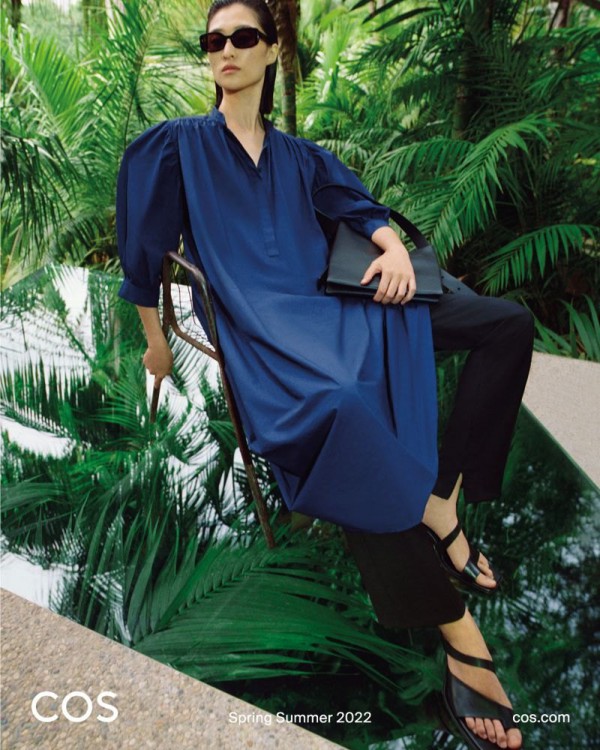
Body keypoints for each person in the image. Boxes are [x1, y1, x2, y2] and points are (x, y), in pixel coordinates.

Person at [116, 2, 533, 748]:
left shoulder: (301, 156)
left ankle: (441, 499)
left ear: (271, 51)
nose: (227, 50)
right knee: (342, 409)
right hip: (260, 322)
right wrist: (156, 344)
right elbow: (143, 259)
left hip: (337, 299)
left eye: (243, 37)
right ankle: (457, 632)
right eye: (214, 40)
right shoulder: (176, 146)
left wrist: (391, 246)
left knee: (506, 325)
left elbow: (356, 207)